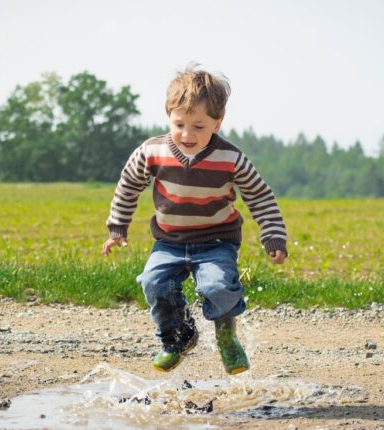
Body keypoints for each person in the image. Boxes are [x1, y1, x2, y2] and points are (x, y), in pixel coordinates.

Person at [103, 64, 288, 375]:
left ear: (218, 123)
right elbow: (128, 185)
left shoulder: (231, 158)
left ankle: (226, 336)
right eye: (180, 124)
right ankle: (177, 338)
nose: (187, 134)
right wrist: (117, 227)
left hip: (217, 241)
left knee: (217, 287)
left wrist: (273, 236)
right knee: (154, 283)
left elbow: (260, 196)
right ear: (168, 116)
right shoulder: (152, 151)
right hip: (169, 241)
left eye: (199, 126)